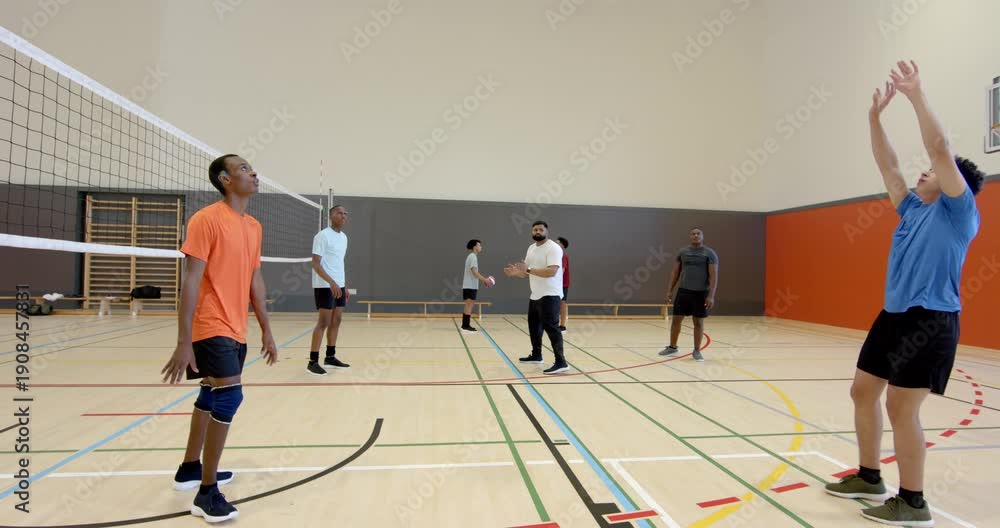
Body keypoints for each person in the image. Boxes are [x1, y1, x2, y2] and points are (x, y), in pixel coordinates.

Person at [823, 61, 984, 527]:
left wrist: (916, 95)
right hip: (893, 315)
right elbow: (889, 165)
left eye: (932, 172)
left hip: (930, 319)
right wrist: (874, 119)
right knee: (862, 391)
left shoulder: (959, 213)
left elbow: (939, 148)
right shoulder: (912, 209)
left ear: (952, 183)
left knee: (900, 406)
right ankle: (869, 477)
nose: (923, 173)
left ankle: (913, 502)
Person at [161, 154, 278, 523]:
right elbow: (191, 278)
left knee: (211, 394)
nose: (253, 172)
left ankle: (190, 468)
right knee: (230, 396)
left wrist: (266, 328)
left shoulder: (254, 226)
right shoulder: (206, 219)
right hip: (210, 324)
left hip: (236, 325)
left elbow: (255, 280)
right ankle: (206, 493)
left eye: (251, 168)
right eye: (243, 168)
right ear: (225, 180)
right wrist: (184, 341)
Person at [504, 221, 568, 374]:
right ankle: (537, 355)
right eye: (535, 230)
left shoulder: (554, 248)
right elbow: (526, 272)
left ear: (547, 231)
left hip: (550, 294)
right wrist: (515, 273)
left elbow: (551, 271)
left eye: (540, 229)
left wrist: (528, 270)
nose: (537, 231)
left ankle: (561, 362)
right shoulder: (531, 248)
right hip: (535, 294)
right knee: (534, 327)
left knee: (552, 328)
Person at [660, 227, 718, 362]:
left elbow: (714, 276)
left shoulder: (709, 253)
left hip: (700, 293)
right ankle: (672, 347)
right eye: (693, 234)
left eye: (698, 234)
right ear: (690, 236)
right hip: (683, 291)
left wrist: (711, 295)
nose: (696, 235)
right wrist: (669, 291)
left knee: (698, 322)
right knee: (676, 320)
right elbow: (675, 273)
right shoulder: (683, 252)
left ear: (702, 236)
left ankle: (697, 351)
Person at [307, 205, 351, 375]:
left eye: (345, 213)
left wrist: (344, 285)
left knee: (336, 320)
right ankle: (312, 361)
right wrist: (331, 282)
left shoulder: (344, 237)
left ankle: (330, 357)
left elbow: (338, 263)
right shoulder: (322, 236)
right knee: (324, 322)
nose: (343, 215)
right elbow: (315, 263)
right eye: (339, 213)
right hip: (325, 285)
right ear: (331, 216)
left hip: (339, 284)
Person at [461, 239, 492, 333]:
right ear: (475, 247)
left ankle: (465, 325)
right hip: (470, 286)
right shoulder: (473, 257)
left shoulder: (471, 256)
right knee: (469, 305)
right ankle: (465, 326)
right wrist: (485, 280)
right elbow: (474, 272)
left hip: (470, 285)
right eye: (479, 245)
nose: (481, 247)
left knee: (469, 305)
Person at [557, 237, 570, 332]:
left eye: (557, 242)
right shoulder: (556, 255)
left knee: (562, 303)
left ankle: (562, 326)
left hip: (562, 284)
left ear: (562, 245)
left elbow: (562, 270)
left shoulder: (562, 256)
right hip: (555, 284)